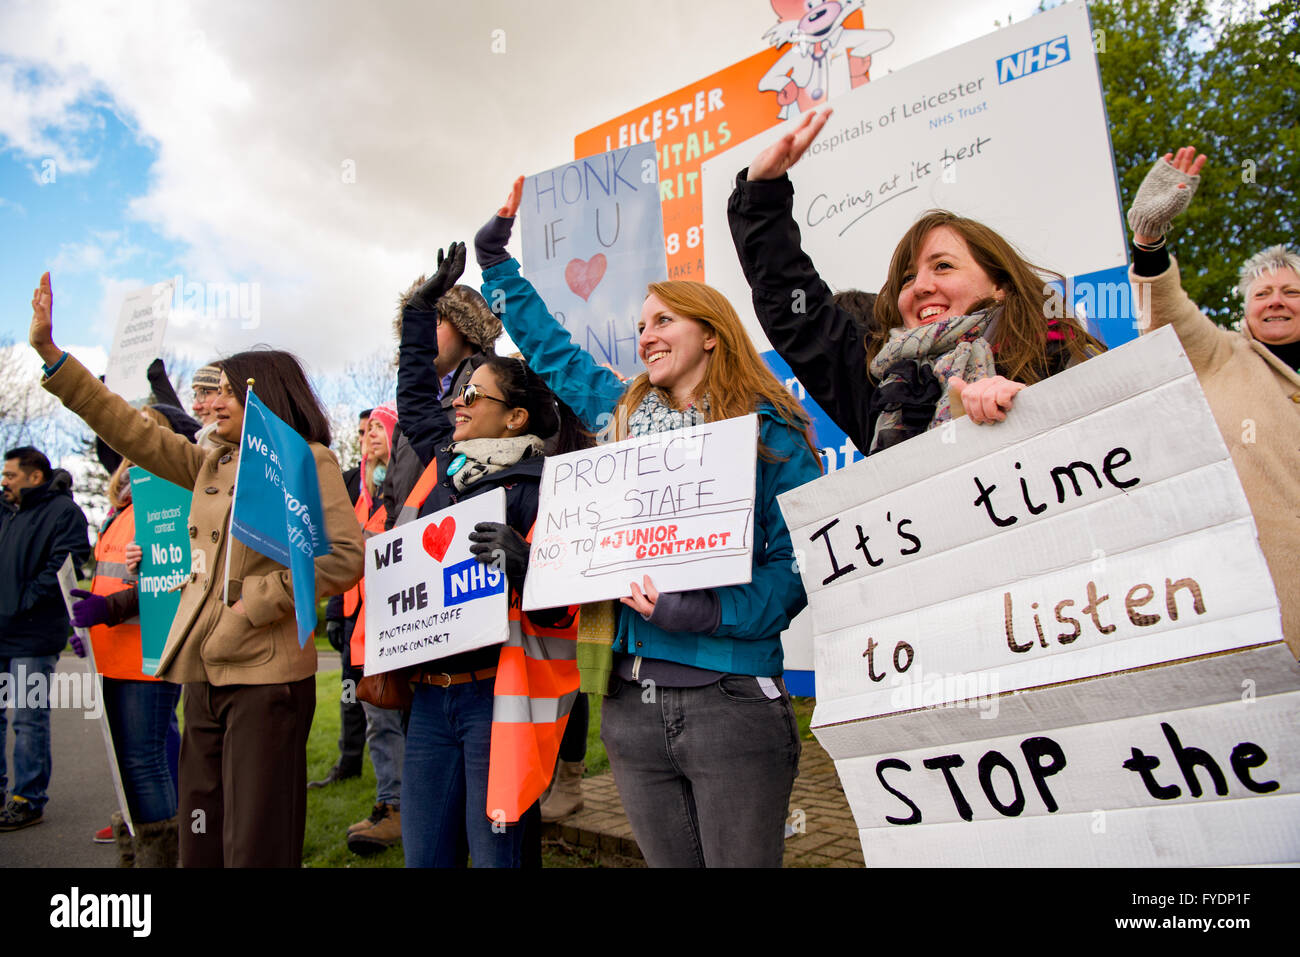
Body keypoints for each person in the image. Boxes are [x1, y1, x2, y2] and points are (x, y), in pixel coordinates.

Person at [476, 181, 823, 867]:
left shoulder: (771, 431)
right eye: (640, 325)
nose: (646, 335)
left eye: (664, 320)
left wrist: (707, 610)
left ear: (712, 333)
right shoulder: (619, 414)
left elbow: (801, 563)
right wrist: (495, 265)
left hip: (731, 699)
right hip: (630, 706)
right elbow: (550, 351)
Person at [30, 272, 364, 866]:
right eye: (206, 395)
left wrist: (249, 607)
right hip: (203, 672)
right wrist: (55, 361)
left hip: (266, 676)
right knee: (201, 835)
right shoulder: (211, 463)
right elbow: (130, 428)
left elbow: (340, 557)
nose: (208, 405)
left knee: (255, 840)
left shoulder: (308, 460)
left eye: (223, 394)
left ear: (264, 395)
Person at [727, 107, 1104, 454]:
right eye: (907, 278)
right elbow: (798, 308)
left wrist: (1031, 407)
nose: (921, 286)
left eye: (942, 266)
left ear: (999, 285)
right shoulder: (883, 384)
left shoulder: (1059, 354)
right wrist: (762, 197)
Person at [396, 243, 583, 868]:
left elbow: (569, 615)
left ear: (515, 419)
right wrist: (423, 310)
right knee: (425, 858)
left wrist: (528, 565)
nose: (459, 405)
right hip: (428, 698)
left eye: (475, 398)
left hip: (495, 700)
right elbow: (418, 397)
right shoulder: (445, 466)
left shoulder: (544, 489)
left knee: (499, 857)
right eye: (460, 396)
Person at [1127, 145, 1300, 655]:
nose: (1275, 301)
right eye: (1261, 294)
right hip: (1267, 612)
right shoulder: (1219, 354)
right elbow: (1163, 307)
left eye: (1290, 292)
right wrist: (1149, 238)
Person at [68, 404, 199, 865]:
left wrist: (108, 607)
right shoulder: (121, 505)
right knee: (131, 764)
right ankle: (145, 849)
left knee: (145, 764)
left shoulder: (166, 494)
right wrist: (91, 609)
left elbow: (171, 575)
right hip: (115, 651)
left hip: (149, 654)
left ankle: (163, 854)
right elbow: (116, 574)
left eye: (144, 425)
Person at [0, 446, 91, 831]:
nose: (4, 481)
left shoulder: (64, 513)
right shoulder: (4, 510)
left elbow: (66, 564)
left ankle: (27, 799)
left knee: (28, 718)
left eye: (11, 475)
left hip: (33, 636)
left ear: (35, 476)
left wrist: (22, 602)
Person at [337, 401, 408, 856]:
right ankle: (392, 805)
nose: (371, 436)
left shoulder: (404, 491)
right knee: (377, 719)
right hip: (360, 624)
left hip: (401, 622)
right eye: (366, 431)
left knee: (405, 720)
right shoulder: (355, 492)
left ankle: (408, 806)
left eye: (381, 427)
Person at [383, 279, 502, 531]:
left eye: (434, 321)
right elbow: (392, 503)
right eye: (416, 327)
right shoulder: (405, 419)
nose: (423, 334)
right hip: (413, 556)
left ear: (466, 327)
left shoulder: (498, 397)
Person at [311, 408, 372, 791]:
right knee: (349, 693)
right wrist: (334, 611)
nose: (366, 438)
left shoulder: (399, 483)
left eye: (373, 429)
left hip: (384, 613)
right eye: (362, 432)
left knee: (385, 699)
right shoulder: (350, 483)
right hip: (351, 613)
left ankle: (395, 784)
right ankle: (348, 761)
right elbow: (337, 550)